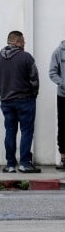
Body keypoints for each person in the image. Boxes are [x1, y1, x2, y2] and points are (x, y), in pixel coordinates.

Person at [0, 30, 40, 173]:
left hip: (6, 102)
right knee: (26, 131)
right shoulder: (26, 58)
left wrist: (3, 93)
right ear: (17, 41)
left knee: (10, 131)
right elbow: (35, 79)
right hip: (25, 100)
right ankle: (25, 163)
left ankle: (10, 164)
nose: (25, 44)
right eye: (23, 41)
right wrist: (33, 94)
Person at [50, 39, 65, 170]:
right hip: (63, 95)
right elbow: (52, 73)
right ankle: (64, 158)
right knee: (63, 126)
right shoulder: (58, 52)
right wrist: (63, 84)